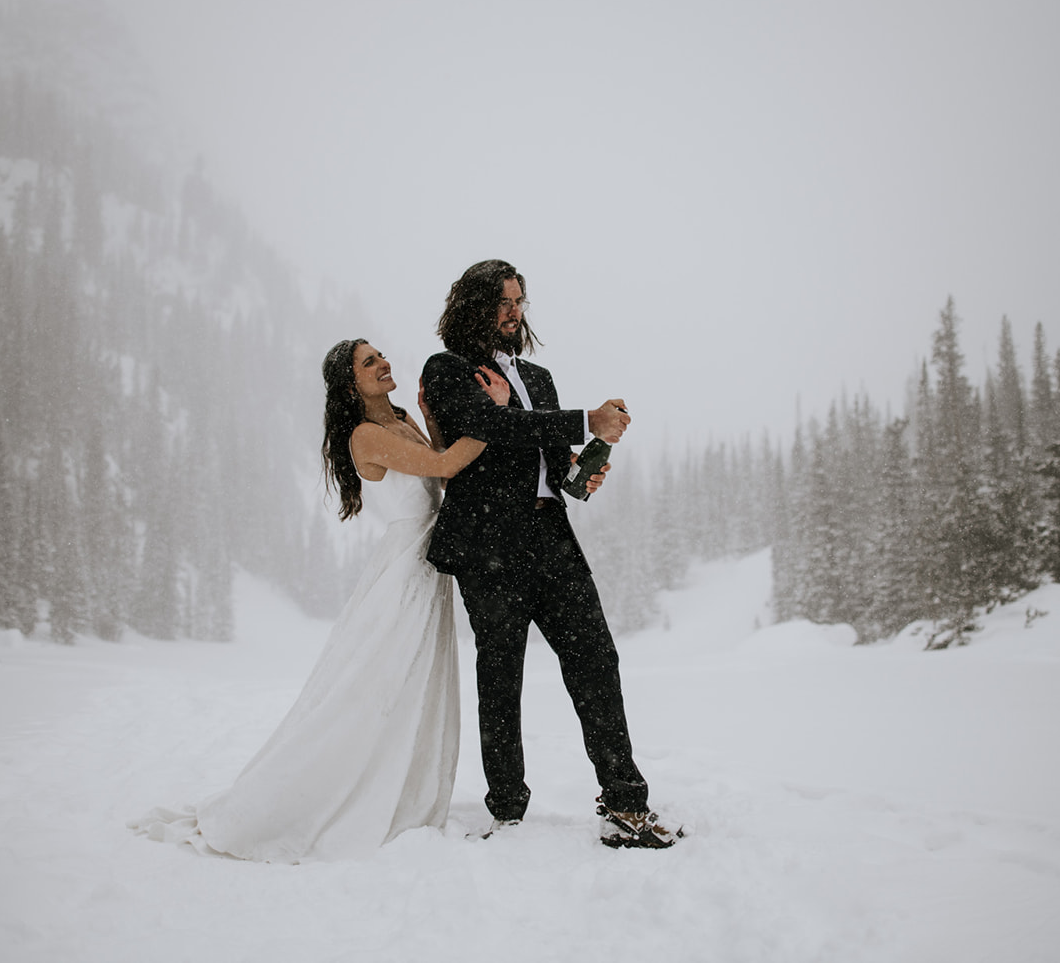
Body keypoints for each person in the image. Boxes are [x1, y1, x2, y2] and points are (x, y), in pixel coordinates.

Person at [128, 339, 511, 862]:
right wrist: (498, 414)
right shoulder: (365, 435)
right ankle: (319, 795)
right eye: (368, 362)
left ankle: (400, 787)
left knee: (414, 682)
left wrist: (427, 414)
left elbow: (438, 469)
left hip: (427, 558)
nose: (383, 364)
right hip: (403, 566)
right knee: (375, 684)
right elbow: (444, 468)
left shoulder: (397, 419)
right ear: (350, 383)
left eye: (380, 355)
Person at [420, 259, 682, 849]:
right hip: (487, 546)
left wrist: (581, 469)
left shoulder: (537, 377)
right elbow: (489, 427)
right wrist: (580, 418)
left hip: (550, 539)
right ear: (473, 306)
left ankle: (625, 805)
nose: (514, 313)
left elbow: (553, 462)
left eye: (520, 301)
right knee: (501, 677)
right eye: (502, 302)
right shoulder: (447, 369)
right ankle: (507, 811)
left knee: (596, 661)